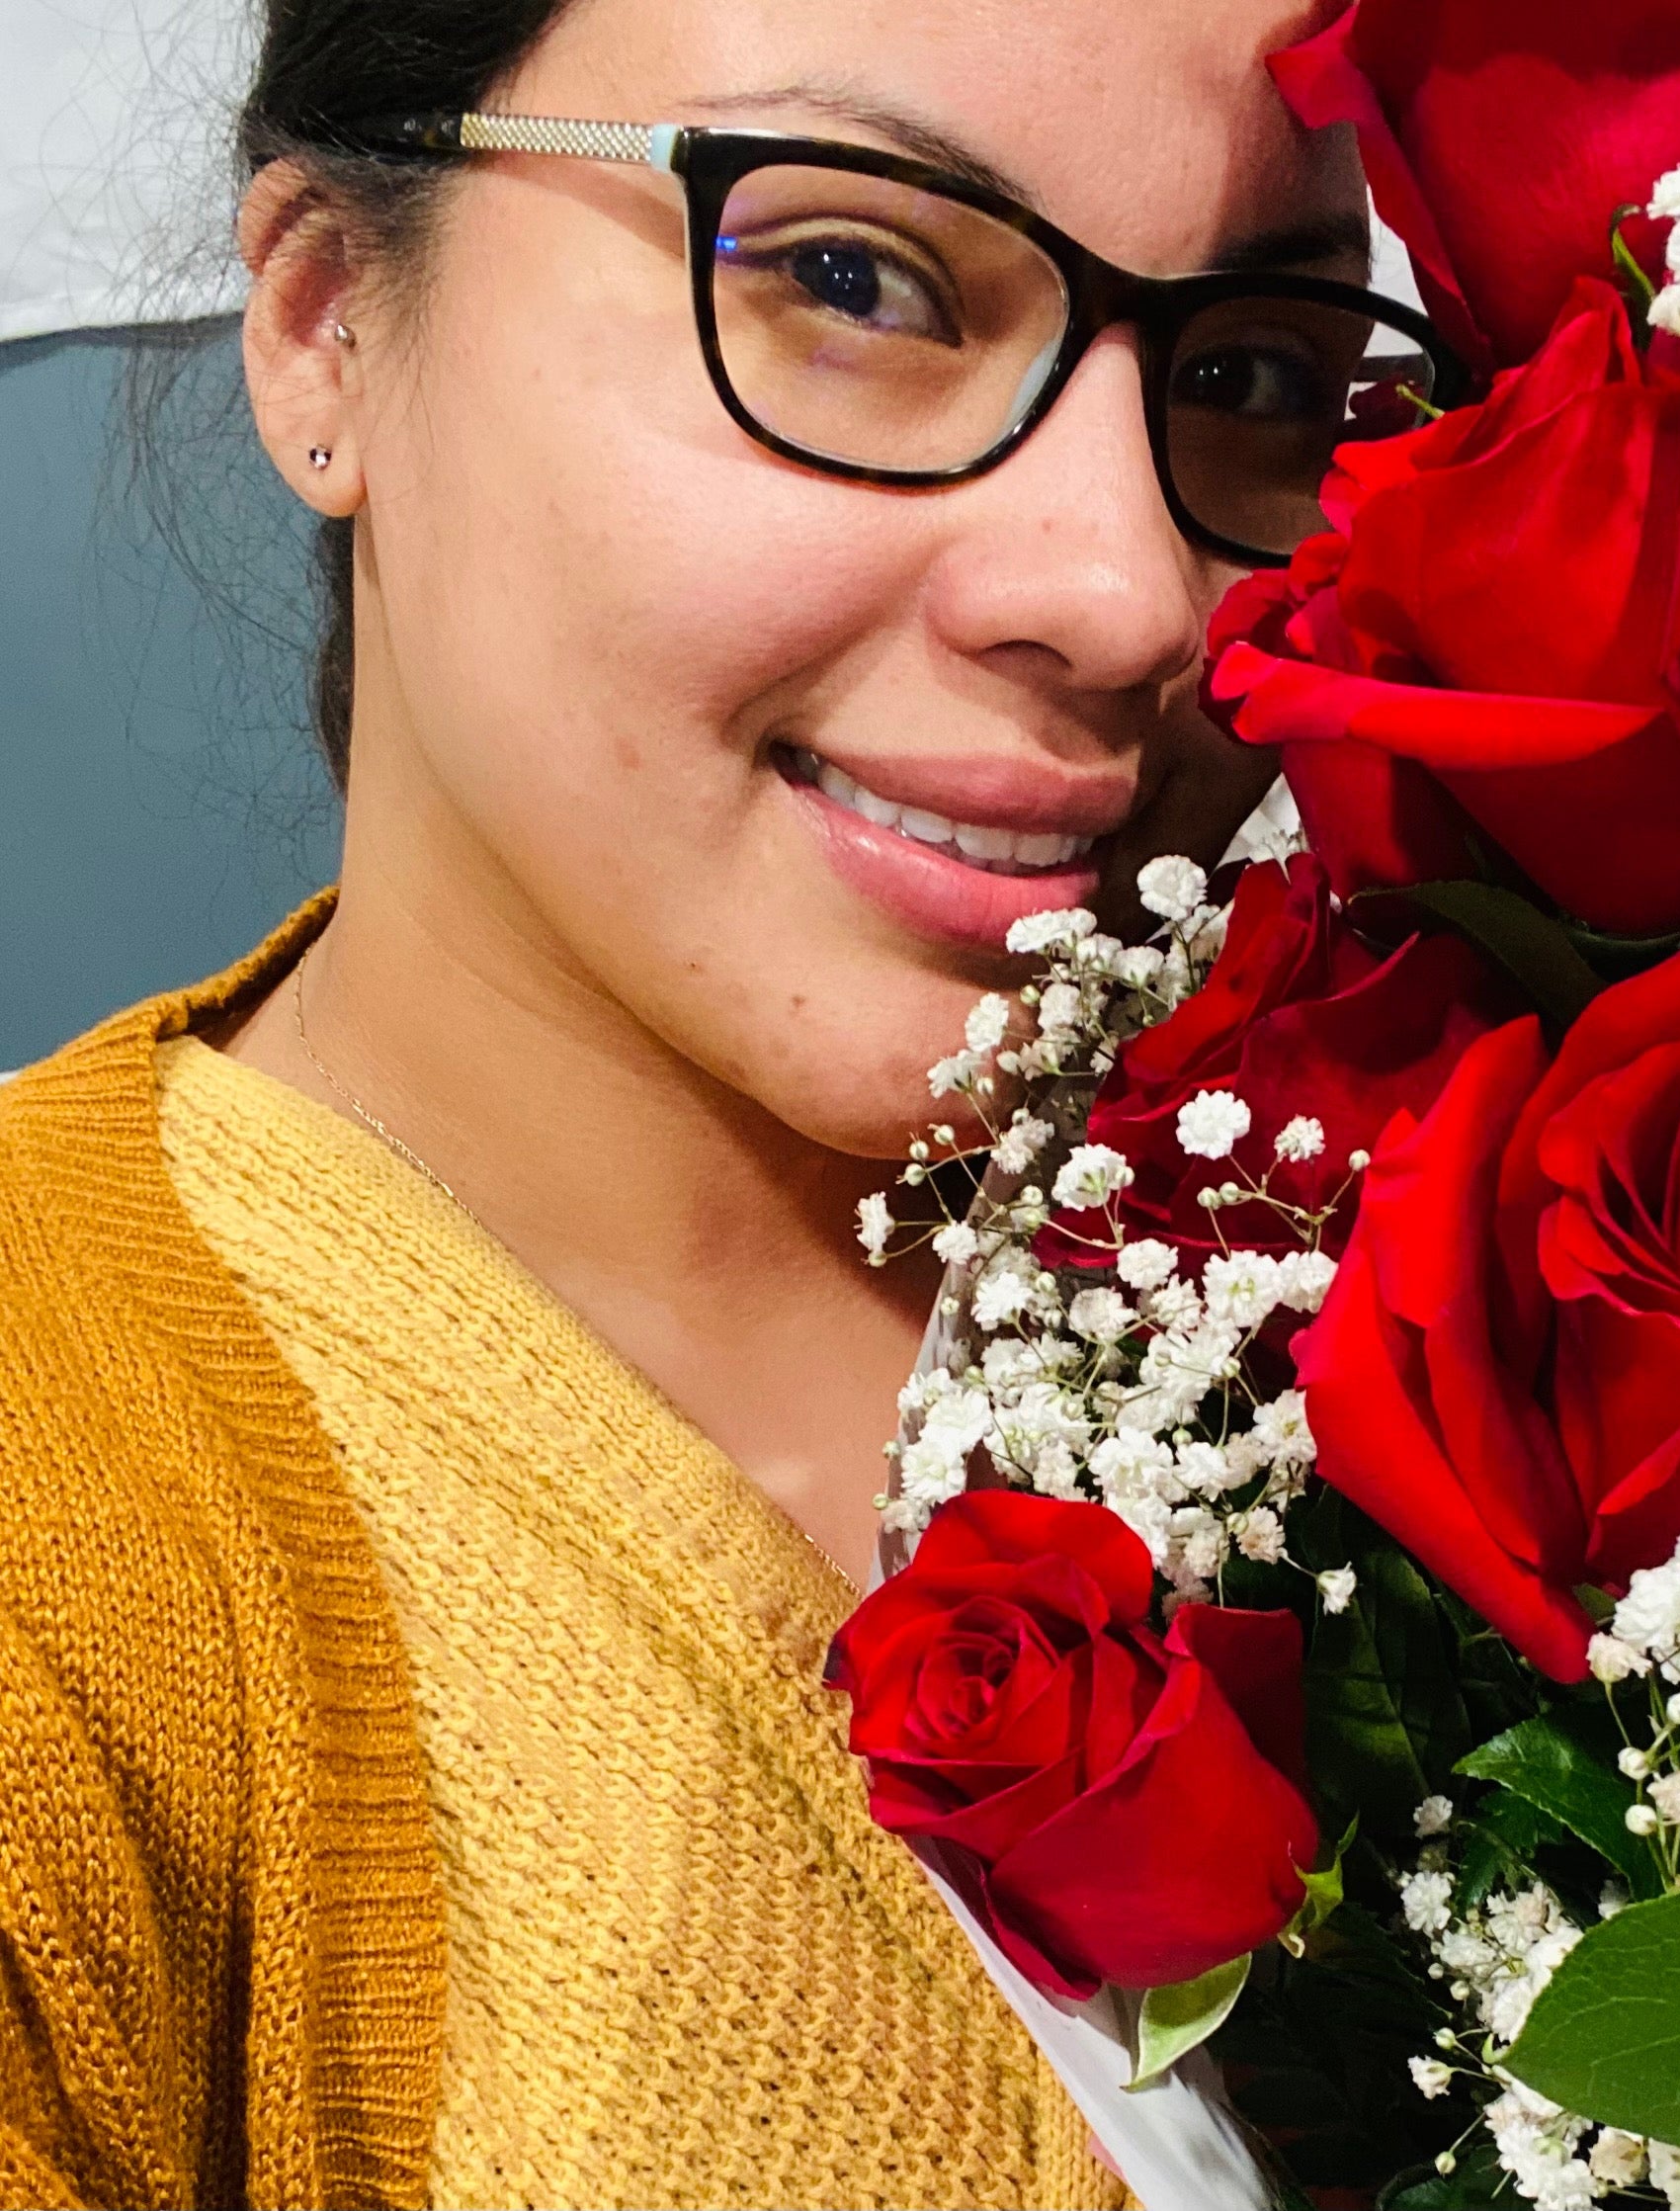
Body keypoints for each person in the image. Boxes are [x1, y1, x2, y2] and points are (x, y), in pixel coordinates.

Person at [0, 0, 1454, 2201]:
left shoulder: (1495, 1264)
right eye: (854, 280)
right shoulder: (68, 1538)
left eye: (1248, 372)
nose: (1122, 596)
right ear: (319, 326)